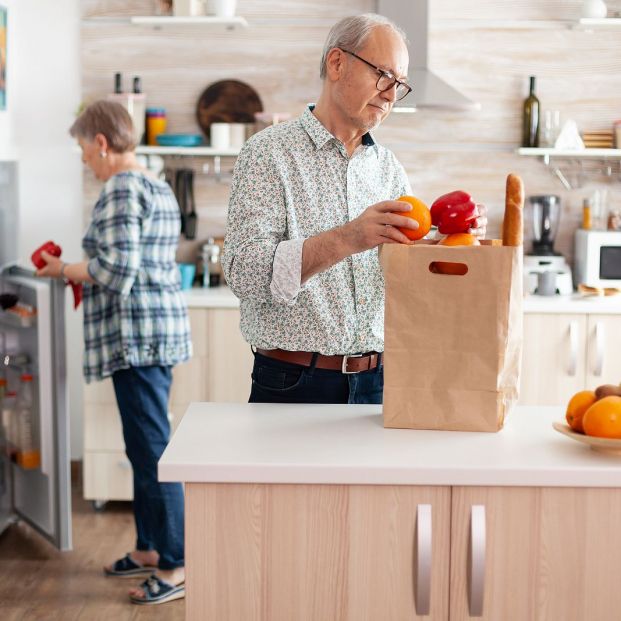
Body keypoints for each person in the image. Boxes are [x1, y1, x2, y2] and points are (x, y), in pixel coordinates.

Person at [222, 13, 486, 405]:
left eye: (400, 84)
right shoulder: (268, 154)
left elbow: (406, 278)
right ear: (337, 63)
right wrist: (348, 238)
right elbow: (245, 274)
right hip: (295, 383)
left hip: (381, 381)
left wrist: (451, 242)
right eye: (383, 75)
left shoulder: (388, 168)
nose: (390, 94)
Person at [36, 100, 191, 606]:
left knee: (153, 452)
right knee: (142, 449)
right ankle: (149, 548)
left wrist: (62, 270)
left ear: (101, 142)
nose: (84, 159)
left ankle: (176, 564)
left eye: (83, 148)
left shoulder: (121, 187)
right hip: (150, 334)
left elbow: (116, 270)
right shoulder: (155, 183)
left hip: (137, 337)